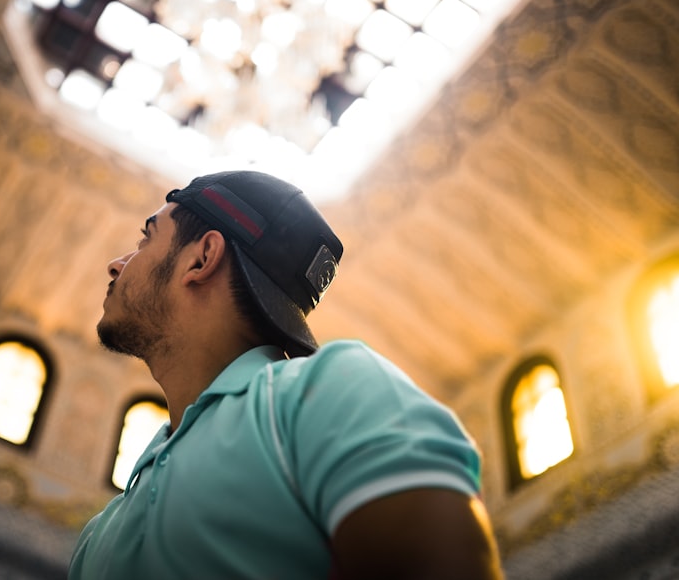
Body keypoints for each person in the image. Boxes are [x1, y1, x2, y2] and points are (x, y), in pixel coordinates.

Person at [69, 170, 503, 579]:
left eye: (146, 240)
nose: (116, 263)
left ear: (202, 258)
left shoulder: (331, 393)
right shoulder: (97, 536)